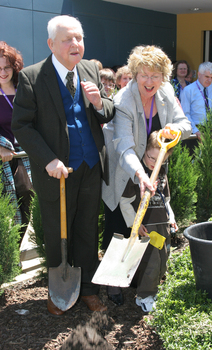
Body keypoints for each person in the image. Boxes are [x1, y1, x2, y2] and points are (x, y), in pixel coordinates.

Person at [11, 15, 115, 315]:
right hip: (57, 172)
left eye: (79, 38)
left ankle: (88, 290)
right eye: (68, 39)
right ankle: (58, 292)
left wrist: (98, 103)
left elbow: (106, 112)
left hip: (91, 166)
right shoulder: (33, 77)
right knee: (59, 231)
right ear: (51, 44)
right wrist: (48, 159)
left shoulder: (89, 70)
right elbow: (22, 126)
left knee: (86, 229)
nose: (75, 44)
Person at [102, 45, 191, 305]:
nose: (149, 81)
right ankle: (114, 283)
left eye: (155, 75)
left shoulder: (166, 92)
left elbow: (185, 124)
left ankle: (141, 277)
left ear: (163, 76)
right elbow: (125, 147)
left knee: (146, 226)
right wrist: (141, 175)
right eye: (144, 75)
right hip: (124, 169)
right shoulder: (123, 101)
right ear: (134, 74)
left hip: (152, 166)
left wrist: (174, 128)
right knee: (119, 226)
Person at [119, 131, 177, 312]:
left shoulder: (162, 174)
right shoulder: (137, 175)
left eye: (159, 159)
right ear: (144, 151)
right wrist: (134, 224)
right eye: (150, 157)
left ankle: (154, 291)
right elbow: (124, 201)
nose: (153, 162)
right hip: (147, 227)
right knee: (151, 263)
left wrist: (172, 218)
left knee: (162, 260)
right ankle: (144, 296)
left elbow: (166, 200)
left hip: (162, 225)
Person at [0, 41, 34, 244]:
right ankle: (9, 254)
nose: (3, 72)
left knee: (27, 194)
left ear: (14, 66)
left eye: (6, 67)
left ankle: (15, 246)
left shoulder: (25, 89)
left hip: (25, 154)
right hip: (3, 155)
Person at [181, 61, 212, 141]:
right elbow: (185, 113)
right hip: (194, 130)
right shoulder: (188, 90)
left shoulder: (210, 89)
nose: (209, 80)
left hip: (208, 129)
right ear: (199, 74)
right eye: (207, 76)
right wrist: (196, 130)